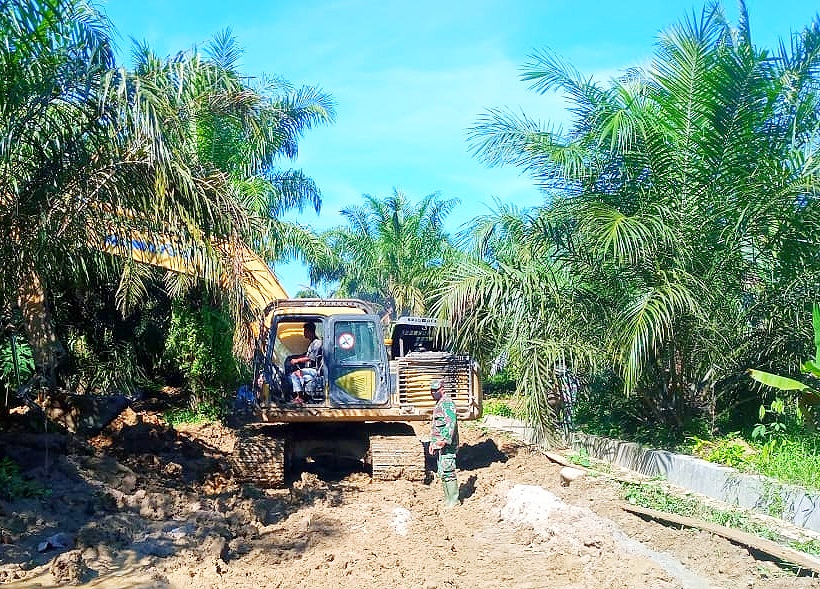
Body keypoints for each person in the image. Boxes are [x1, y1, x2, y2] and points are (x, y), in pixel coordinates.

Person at [428, 378, 459, 507]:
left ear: (442, 389)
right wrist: (433, 443)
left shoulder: (446, 403)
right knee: (443, 471)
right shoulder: (440, 403)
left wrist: (444, 441)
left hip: (447, 444)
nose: (433, 393)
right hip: (440, 444)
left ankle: (453, 501)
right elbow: (437, 426)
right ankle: (448, 499)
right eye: (432, 390)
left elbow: (450, 423)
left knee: (448, 471)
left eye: (436, 390)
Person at [288, 322, 322, 405]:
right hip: (310, 370)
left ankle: (300, 397)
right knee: (292, 376)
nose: (304, 333)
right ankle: (298, 395)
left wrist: (297, 360)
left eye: (305, 331)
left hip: (315, 370)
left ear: (310, 331)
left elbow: (311, 358)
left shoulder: (317, 343)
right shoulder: (312, 343)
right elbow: (307, 355)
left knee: (296, 374)